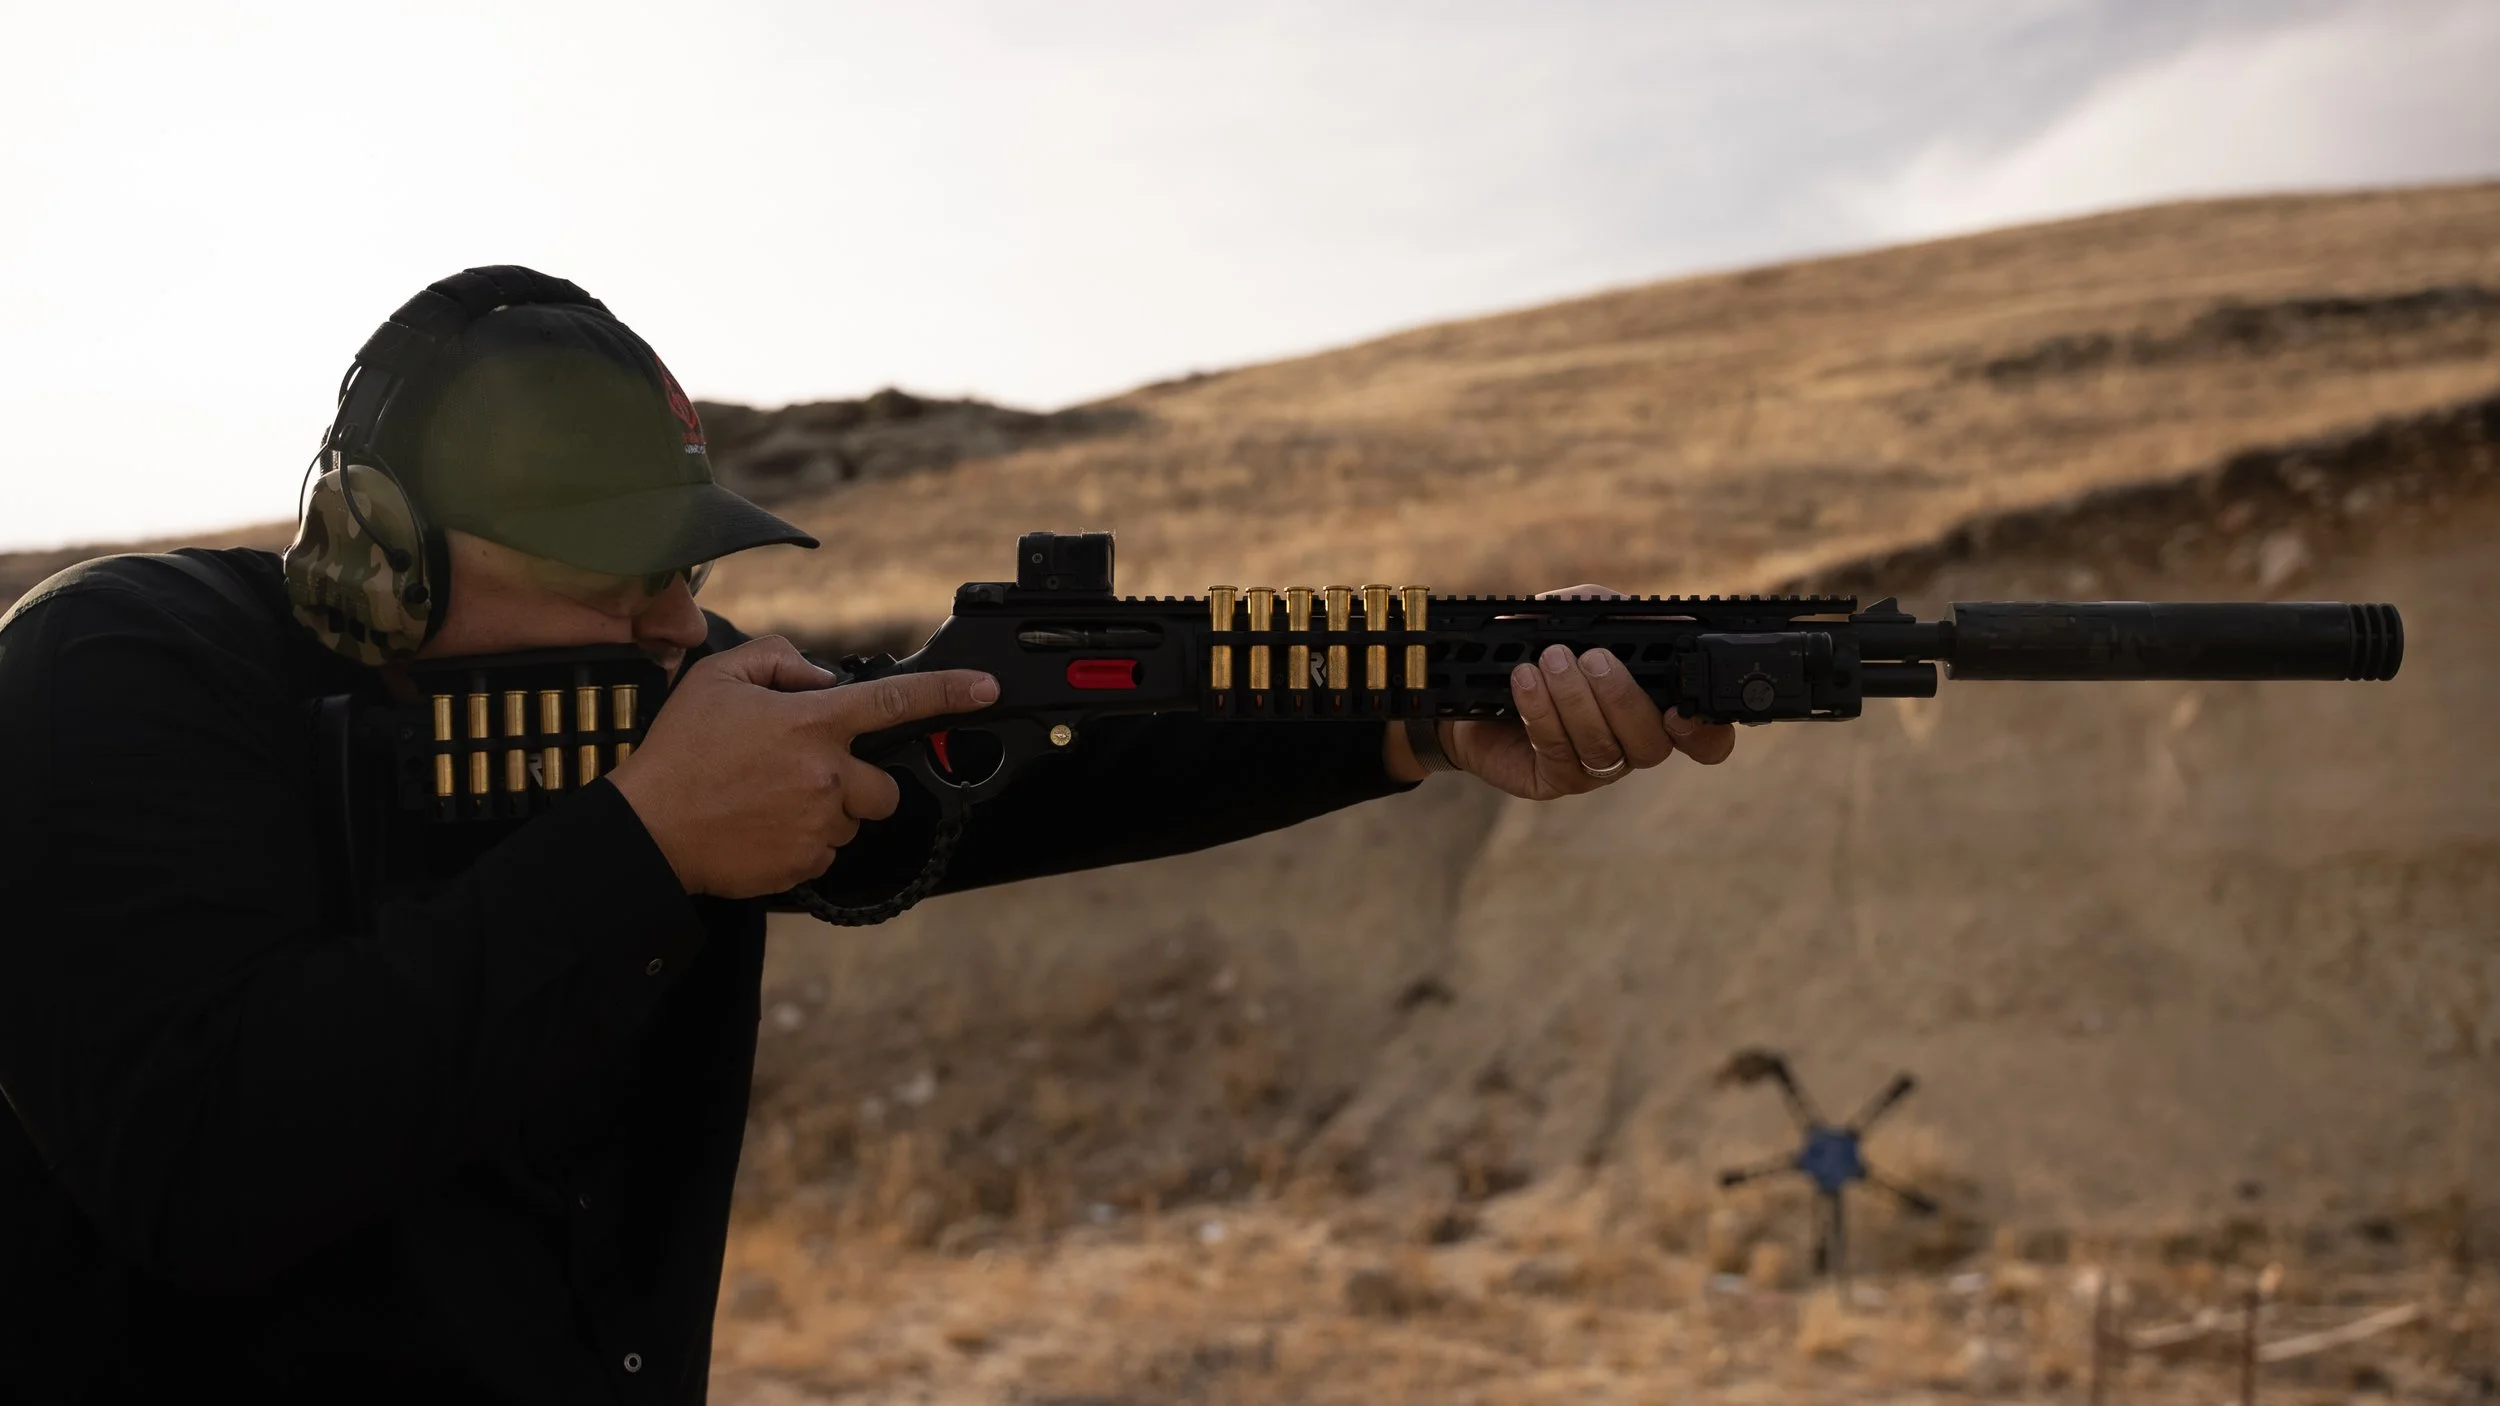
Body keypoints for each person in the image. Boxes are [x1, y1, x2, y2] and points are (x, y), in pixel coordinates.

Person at [0, 267, 1734, 1403]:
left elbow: (1024, 755)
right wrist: (641, 848)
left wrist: (1413, 713)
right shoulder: (124, 675)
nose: (669, 637)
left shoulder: (648, 719)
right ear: (373, 560)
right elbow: (202, 1162)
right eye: (610, 589)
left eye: (683, 577)